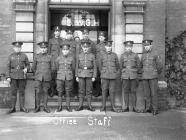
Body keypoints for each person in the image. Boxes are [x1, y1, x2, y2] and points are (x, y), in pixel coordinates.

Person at [7, 41, 30, 113]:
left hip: (21, 76)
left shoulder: (24, 56)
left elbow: (28, 65)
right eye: (16, 47)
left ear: (21, 48)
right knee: (13, 93)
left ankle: (22, 107)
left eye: (19, 47)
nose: (17, 49)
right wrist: (8, 76)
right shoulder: (11, 56)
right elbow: (8, 67)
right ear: (14, 48)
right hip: (13, 77)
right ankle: (13, 108)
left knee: (22, 93)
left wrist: (26, 68)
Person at [141, 40, 163, 115]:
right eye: (145, 46)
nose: (146, 47)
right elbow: (141, 65)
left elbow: (160, 65)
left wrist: (156, 73)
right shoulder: (143, 55)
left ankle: (155, 109)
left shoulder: (155, 54)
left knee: (154, 93)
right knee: (146, 94)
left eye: (148, 46)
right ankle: (148, 108)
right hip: (145, 77)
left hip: (153, 77)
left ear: (151, 46)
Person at [75, 40, 97, 111]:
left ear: (89, 47)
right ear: (82, 47)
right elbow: (76, 66)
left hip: (89, 74)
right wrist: (76, 76)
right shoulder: (79, 56)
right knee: (81, 90)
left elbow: (95, 66)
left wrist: (94, 76)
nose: (85, 48)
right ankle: (80, 105)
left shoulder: (92, 55)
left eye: (86, 47)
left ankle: (89, 105)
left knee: (89, 91)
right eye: (84, 47)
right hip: (81, 74)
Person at [99, 40, 120, 112]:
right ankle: (103, 106)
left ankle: (113, 106)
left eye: (110, 46)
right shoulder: (102, 55)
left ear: (111, 47)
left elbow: (118, 66)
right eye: (107, 46)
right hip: (104, 76)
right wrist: (102, 73)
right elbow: (100, 66)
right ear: (105, 47)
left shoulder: (114, 55)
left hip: (113, 77)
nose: (108, 48)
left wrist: (115, 73)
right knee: (104, 91)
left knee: (112, 91)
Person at [32, 41, 53, 113]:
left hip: (46, 77)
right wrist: (37, 74)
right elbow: (33, 68)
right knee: (38, 92)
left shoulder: (50, 57)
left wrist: (48, 74)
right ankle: (37, 107)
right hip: (38, 78)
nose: (43, 49)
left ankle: (45, 107)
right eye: (42, 48)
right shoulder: (37, 56)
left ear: (47, 48)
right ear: (40, 49)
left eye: (44, 48)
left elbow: (53, 68)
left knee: (45, 92)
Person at [120, 41, 141, 112]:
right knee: (125, 91)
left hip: (133, 76)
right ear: (125, 47)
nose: (128, 48)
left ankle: (134, 107)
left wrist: (134, 71)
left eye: (130, 47)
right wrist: (123, 74)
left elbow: (139, 66)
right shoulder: (122, 56)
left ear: (132, 47)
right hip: (125, 75)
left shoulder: (135, 55)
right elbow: (120, 67)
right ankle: (126, 107)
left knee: (133, 91)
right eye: (127, 47)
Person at [54, 44, 75, 112]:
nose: (65, 51)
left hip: (68, 77)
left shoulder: (71, 58)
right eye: (64, 50)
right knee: (60, 92)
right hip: (60, 77)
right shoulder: (58, 59)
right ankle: (59, 106)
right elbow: (57, 68)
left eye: (66, 50)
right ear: (62, 51)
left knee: (68, 92)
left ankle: (68, 106)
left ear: (68, 51)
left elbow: (73, 69)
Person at [48, 26, 63, 97]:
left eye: (58, 31)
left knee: (59, 77)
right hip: (53, 61)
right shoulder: (51, 41)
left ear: (60, 32)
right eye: (56, 31)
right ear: (54, 32)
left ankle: (59, 91)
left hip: (60, 61)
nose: (57, 32)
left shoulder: (62, 41)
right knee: (52, 77)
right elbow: (48, 52)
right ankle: (52, 91)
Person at [95, 31, 106, 97]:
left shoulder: (106, 45)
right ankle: (98, 92)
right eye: (100, 37)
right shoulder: (96, 46)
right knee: (97, 79)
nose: (101, 38)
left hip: (104, 65)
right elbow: (95, 55)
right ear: (99, 38)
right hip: (97, 64)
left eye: (102, 37)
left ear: (104, 38)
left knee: (104, 79)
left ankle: (104, 93)